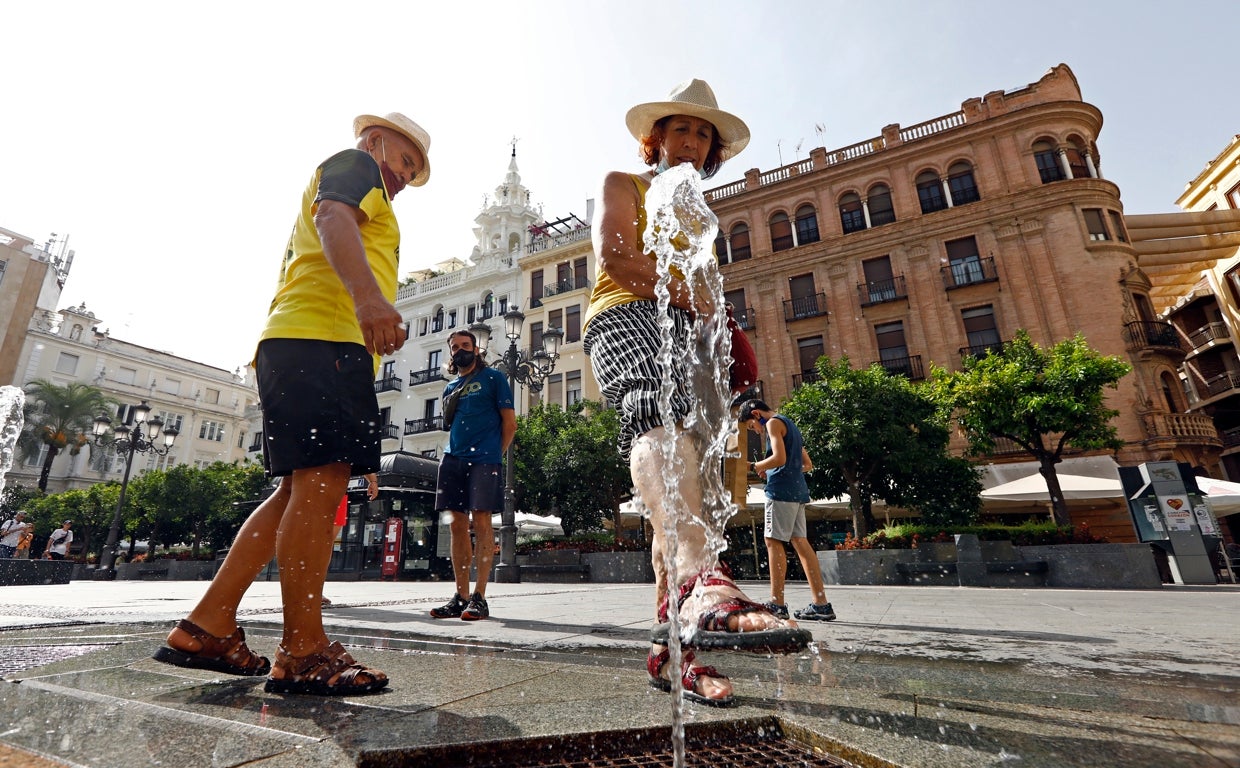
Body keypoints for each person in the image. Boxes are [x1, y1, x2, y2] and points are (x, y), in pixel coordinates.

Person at [152, 112, 431, 697]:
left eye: (413, 168)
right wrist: (369, 301)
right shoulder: (355, 167)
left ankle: (208, 624)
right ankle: (303, 649)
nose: (405, 174)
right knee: (323, 481)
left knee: (295, 492)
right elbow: (333, 218)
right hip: (324, 338)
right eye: (403, 159)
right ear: (374, 141)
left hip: (300, 339)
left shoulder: (364, 183)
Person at [583, 79, 809, 708]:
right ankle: (703, 580)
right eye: (680, 129)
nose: (691, 141)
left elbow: (707, 301)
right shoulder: (621, 184)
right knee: (656, 421)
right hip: (627, 313)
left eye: (703, 134)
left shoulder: (700, 219)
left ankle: (670, 653)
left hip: (689, 333)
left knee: (695, 492)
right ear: (656, 140)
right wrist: (698, 301)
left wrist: (726, 337)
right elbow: (617, 257)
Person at [429, 329, 516, 622]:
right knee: (456, 525)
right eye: (455, 347)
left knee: (481, 521)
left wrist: (495, 455)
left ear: (476, 349)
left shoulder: (494, 378)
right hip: (452, 459)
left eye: (465, 345)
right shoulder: (450, 386)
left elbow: (510, 424)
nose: (460, 350)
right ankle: (460, 596)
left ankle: (480, 596)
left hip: (484, 459)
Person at [739, 399, 836, 622]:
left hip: (780, 492)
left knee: (773, 541)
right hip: (797, 490)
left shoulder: (773, 423)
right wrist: (775, 469)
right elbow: (806, 464)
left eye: (753, 426)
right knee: (801, 542)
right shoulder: (790, 424)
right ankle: (821, 604)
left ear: (755, 413)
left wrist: (756, 467)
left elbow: (780, 458)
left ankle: (777, 603)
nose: (757, 430)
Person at [323, 472, 378, 607]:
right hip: (323, 484)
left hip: (336, 488)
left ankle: (313, 588)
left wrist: (373, 480)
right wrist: (373, 481)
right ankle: (309, 589)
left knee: (324, 543)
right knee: (322, 542)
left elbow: (357, 453)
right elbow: (358, 453)